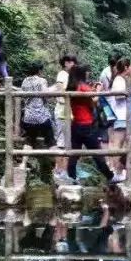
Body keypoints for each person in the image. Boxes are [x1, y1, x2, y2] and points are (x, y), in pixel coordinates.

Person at [67, 65, 114, 184]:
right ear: (81, 74)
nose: (88, 74)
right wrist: (98, 90)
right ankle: (110, 177)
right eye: (86, 72)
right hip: (87, 125)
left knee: (75, 153)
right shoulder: (83, 86)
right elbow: (93, 102)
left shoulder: (72, 86)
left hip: (76, 124)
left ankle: (71, 177)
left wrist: (92, 90)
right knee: (97, 153)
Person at [19, 61, 55, 170]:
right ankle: (58, 165)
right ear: (39, 70)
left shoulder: (25, 81)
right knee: (50, 139)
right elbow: (46, 95)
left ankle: (23, 164)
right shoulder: (41, 80)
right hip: (41, 117)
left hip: (28, 117)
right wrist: (54, 88)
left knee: (29, 139)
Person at [51, 54, 76, 182]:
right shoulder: (62, 74)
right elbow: (61, 91)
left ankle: (62, 170)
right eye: (72, 62)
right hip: (62, 110)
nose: (73, 64)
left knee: (66, 141)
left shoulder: (69, 75)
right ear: (66, 63)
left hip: (68, 110)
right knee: (62, 141)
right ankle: (59, 170)